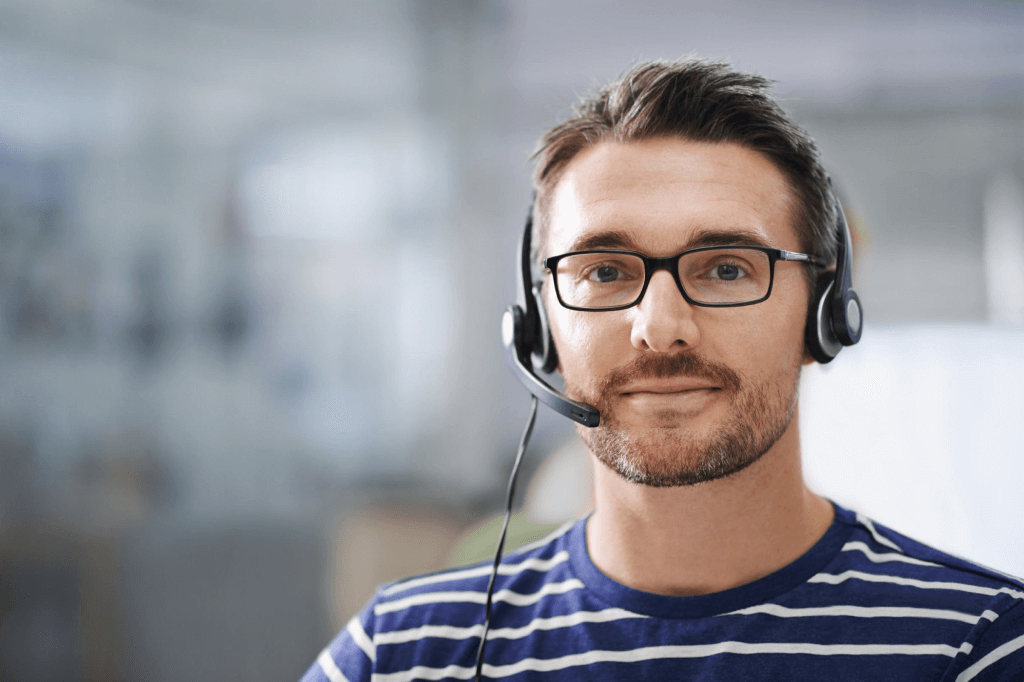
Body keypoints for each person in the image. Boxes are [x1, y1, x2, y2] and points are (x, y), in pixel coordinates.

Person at [300, 58, 1024, 681]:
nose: (661, 327)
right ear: (538, 326)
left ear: (823, 315)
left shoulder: (980, 647)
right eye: (606, 270)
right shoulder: (402, 653)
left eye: (728, 268)